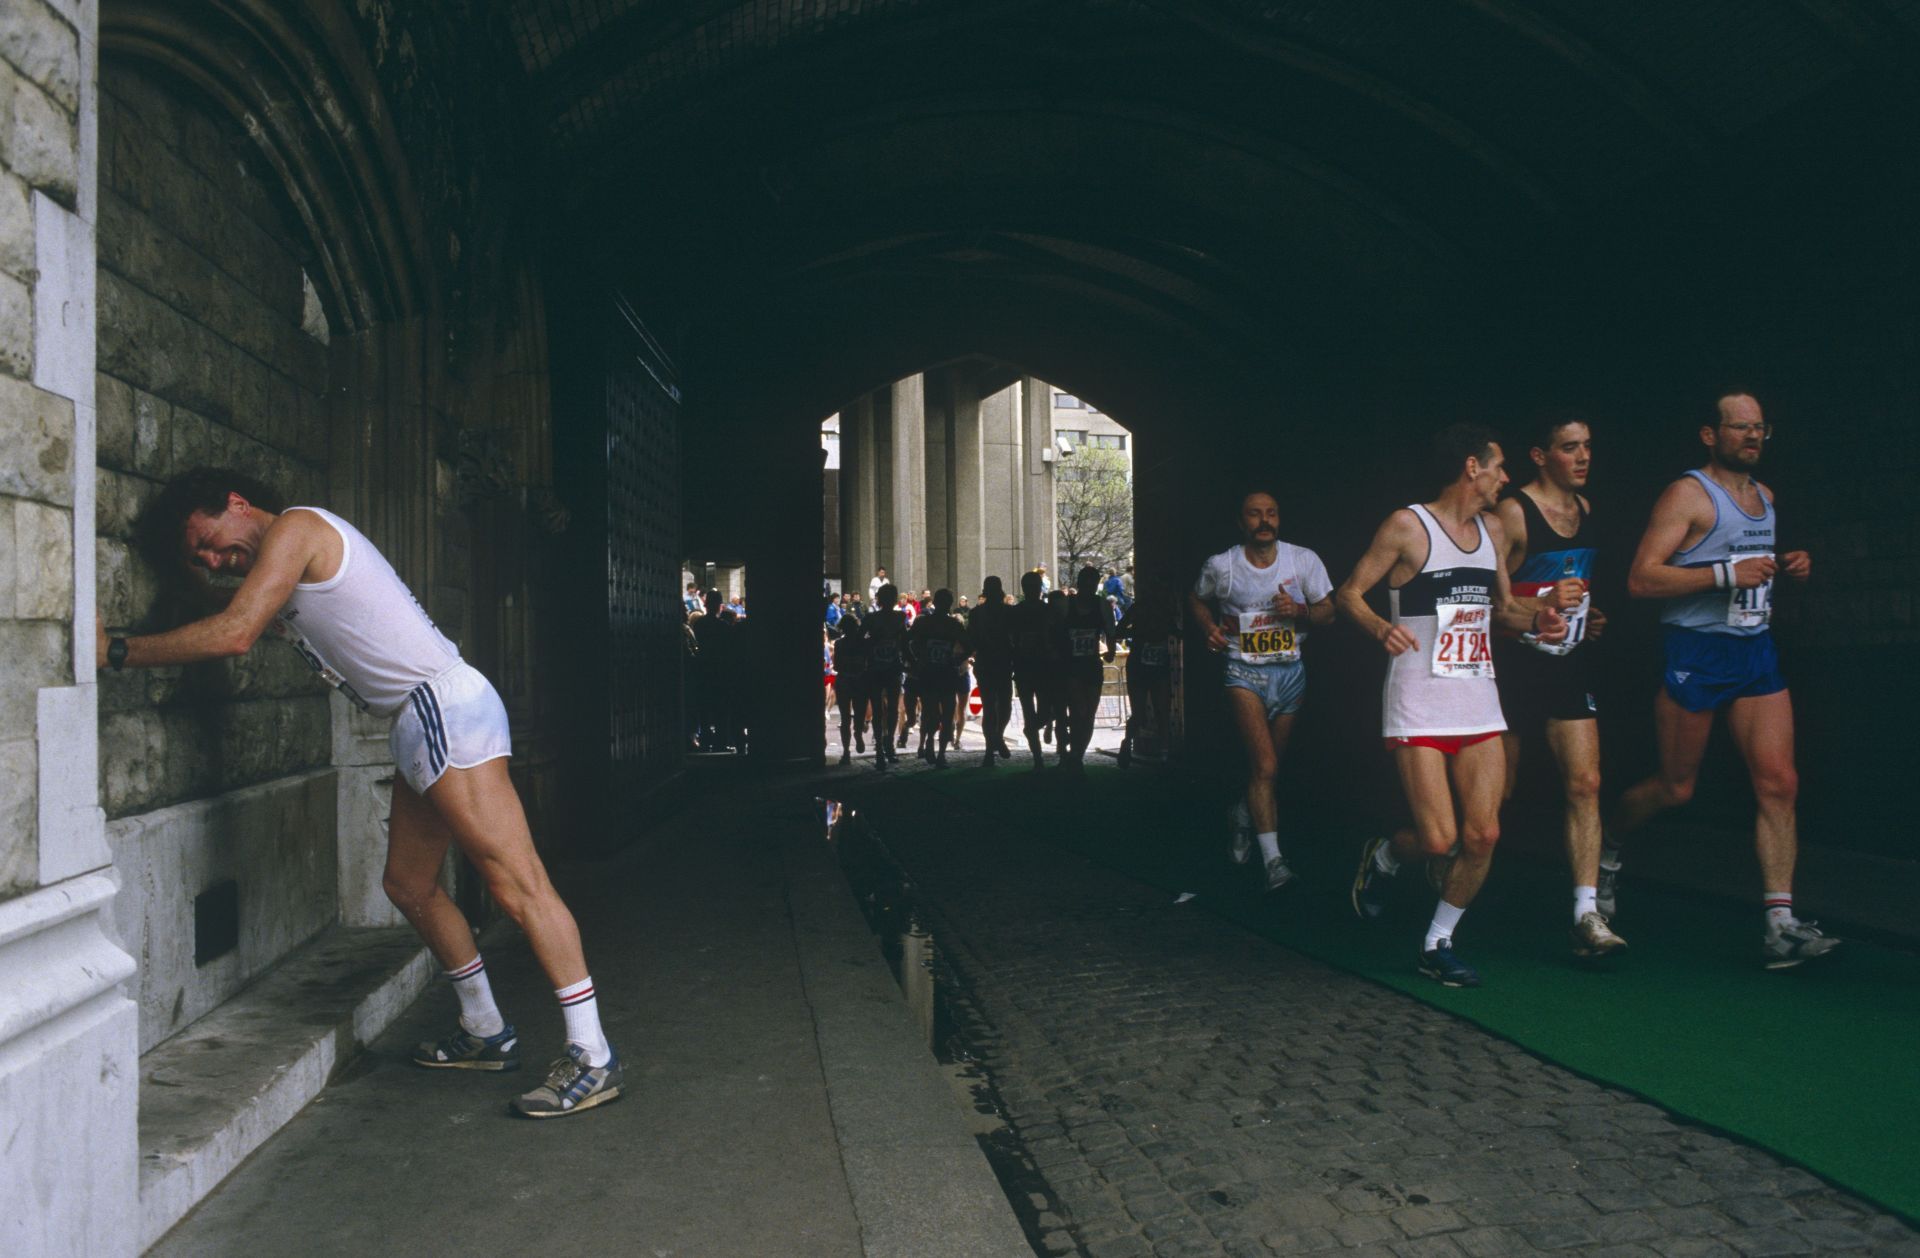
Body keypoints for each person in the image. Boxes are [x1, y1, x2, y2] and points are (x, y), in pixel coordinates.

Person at [110, 468, 620, 1117]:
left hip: (442, 708)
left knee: (518, 884)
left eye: (208, 540)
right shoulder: (281, 564)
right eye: (200, 558)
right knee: (408, 883)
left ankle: (593, 1055)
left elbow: (234, 632)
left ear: (238, 504)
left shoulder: (295, 528)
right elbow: (234, 616)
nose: (213, 560)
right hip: (416, 720)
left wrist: (116, 650)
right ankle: (486, 1029)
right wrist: (188, 588)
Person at [1606, 392, 1835, 969]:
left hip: (1754, 652)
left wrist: (1792, 566)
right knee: (1676, 787)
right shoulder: (1688, 493)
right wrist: (1726, 573)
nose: (1753, 438)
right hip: (1697, 652)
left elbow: (1758, 567)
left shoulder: (1765, 497)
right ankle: (1604, 848)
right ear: (1711, 434)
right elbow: (1640, 580)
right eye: (1740, 428)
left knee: (1780, 782)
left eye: (1761, 429)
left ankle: (1780, 924)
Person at [1338, 426, 1567, 988]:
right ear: (1472, 467)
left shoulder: (1493, 530)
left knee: (1484, 834)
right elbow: (1347, 593)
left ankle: (1437, 942)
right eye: (1499, 467)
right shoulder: (1407, 526)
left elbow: (1503, 609)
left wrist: (1541, 618)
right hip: (1418, 701)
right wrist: (1378, 627)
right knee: (1438, 840)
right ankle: (1389, 857)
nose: (1505, 478)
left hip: (1477, 700)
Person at [1492, 418, 1625, 959]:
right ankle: (1409, 864)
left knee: (1586, 783)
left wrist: (1588, 619)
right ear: (1540, 455)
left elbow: (1578, 593)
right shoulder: (1512, 514)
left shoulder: (1587, 510)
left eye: (1588, 446)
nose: (1583, 456)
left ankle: (1586, 913)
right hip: (1511, 667)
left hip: (1566, 665)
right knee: (1495, 796)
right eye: (1570, 448)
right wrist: (1544, 606)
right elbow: (1485, 602)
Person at [1189, 491, 1336, 891]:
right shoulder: (1222, 566)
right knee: (1267, 766)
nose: (1264, 520)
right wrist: (1210, 629)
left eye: (1271, 513)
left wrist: (1301, 611)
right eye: (1255, 514)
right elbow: (1197, 599)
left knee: (1267, 769)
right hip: (1244, 672)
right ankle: (1274, 862)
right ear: (1241, 522)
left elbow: (1329, 611)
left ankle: (1241, 812)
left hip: (1291, 673)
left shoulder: (1302, 560)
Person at [1059, 566, 1119, 772]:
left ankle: (1078, 752)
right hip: (1073, 665)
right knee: (1079, 710)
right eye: (1087, 583)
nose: (1090, 588)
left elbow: (1111, 630)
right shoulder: (1068, 605)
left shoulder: (1101, 605)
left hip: (1091, 663)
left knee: (1088, 712)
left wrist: (1110, 650)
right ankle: (1075, 750)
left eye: (1093, 584)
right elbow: (1057, 631)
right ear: (1080, 583)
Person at [906, 589, 971, 767]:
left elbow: (905, 640)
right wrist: (957, 659)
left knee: (930, 711)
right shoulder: (952, 624)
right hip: (945, 672)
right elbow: (970, 644)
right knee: (946, 714)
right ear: (950, 604)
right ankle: (940, 752)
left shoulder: (925, 622)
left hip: (929, 671)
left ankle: (930, 743)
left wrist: (914, 660)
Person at [1115, 587, 1178, 769]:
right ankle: (1127, 743)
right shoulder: (1138, 608)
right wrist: (1139, 633)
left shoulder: (1167, 609)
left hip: (1159, 665)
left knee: (1162, 710)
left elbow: (1174, 629)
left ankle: (1164, 755)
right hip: (1139, 666)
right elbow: (1119, 630)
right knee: (1140, 713)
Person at [1010, 571, 1062, 767]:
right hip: (1043, 666)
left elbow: (1011, 639)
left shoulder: (1016, 612)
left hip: (1024, 667)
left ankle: (1037, 755)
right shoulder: (1048, 611)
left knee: (1029, 710)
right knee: (1044, 709)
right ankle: (1037, 742)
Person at [856, 583, 909, 769]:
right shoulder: (899, 617)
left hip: (877, 666)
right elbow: (904, 642)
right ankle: (888, 745)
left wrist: (871, 645)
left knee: (879, 709)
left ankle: (881, 746)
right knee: (892, 708)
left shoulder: (872, 618)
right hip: (892, 666)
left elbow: (859, 640)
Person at [968, 577, 1016, 766]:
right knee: (1004, 704)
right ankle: (998, 738)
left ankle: (991, 747)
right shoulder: (1009, 612)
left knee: (990, 707)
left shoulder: (976, 613)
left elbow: (971, 639)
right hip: (1003, 661)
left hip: (986, 662)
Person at [832, 628, 870, 763]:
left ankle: (846, 752)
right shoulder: (864, 644)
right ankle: (858, 733)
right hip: (860, 680)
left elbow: (836, 666)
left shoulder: (839, 644)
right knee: (859, 714)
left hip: (844, 681)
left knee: (845, 717)